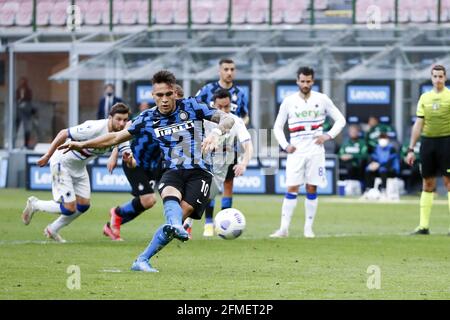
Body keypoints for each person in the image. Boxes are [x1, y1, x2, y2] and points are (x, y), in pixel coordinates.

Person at [58, 70, 235, 272]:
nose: (165, 100)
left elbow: (227, 119)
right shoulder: (147, 118)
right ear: (153, 96)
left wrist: (216, 133)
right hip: (172, 170)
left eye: (168, 94)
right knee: (169, 196)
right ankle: (169, 233)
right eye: (159, 95)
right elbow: (115, 138)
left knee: (182, 213)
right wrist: (82, 144)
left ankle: (143, 258)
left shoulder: (192, 106)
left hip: (200, 172)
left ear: (174, 93)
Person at [21, 103, 132, 242]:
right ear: (110, 118)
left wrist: (129, 160)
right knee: (69, 208)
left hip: (79, 167)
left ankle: (53, 229)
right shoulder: (94, 127)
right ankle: (35, 204)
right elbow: (63, 133)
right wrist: (47, 155)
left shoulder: (121, 135)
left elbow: (129, 157)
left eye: (125, 120)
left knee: (84, 205)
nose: (122, 123)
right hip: (62, 162)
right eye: (118, 119)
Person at [270, 66, 346, 238]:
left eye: (308, 81)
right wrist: (284, 145)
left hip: (315, 151)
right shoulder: (289, 101)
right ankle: (283, 229)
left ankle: (308, 228)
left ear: (313, 81)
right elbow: (277, 127)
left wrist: (328, 135)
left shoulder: (322, 99)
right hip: (295, 151)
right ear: (297, 81)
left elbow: (341, 120)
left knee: (312, 187)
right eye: (302, 81)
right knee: (292, 187)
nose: (305, 84)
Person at [103, 86, 185, 241]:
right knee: (149, 199)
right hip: (134, 161)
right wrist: (114, 153)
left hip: (154, 165)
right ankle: (117, 214)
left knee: (147, 202)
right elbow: (124, 129)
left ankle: (113, 222)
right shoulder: (150, 115)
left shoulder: (178, 119)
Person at [184, 88, 253, 237]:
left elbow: (248, 145)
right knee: (194, 196)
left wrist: (243, 163)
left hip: (221, 169)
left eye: (226, 107)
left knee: (205, 198)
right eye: (219, 107)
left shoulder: (236, 121)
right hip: (202, 165)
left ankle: (195, 224)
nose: (223, 110)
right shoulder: (205, 120)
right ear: (213, 105)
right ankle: (185, 227)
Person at [406, 64, 450, 235]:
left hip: (447, 142)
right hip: (428, 143)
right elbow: (419, 124)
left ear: (445, 78)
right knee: (427, 183)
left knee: (448, 182)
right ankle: (423, 226)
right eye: (435, 76)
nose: (438, 80)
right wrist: (411, 148)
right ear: (431, 78)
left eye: (440, 76)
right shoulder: (425, 98)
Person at [196, 58, 249, 125]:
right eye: (226, 69)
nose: (229, 73)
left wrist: (240, 127)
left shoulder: (240, 93)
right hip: (211, 132)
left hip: (232, 133)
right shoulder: (206, 90)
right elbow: (195, 110)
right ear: (219, 71)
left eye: (232, 69)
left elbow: (245, 116)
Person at [15, 77, 34, 149]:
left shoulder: (28, 91)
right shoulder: (18, 90)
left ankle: (26, 144)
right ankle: (15, 144)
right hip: (19, 111)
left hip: (26, 111)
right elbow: (16, 98)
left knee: (27, 129)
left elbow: (29, 98)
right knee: (17, 128)